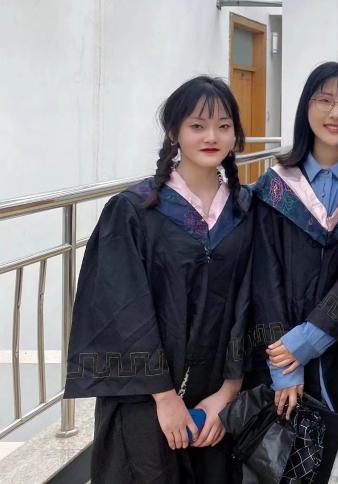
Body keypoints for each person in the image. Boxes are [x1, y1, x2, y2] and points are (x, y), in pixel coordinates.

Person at [65, 76, 252, 482]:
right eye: (197, 125)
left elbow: (251, 299)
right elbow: (120, 308)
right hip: (146, 400)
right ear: (173, 132)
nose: (211, 137)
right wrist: (164, 398)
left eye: (223, 126)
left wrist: (228, 392)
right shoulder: (134, 210)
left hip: (216, 397)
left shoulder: (245, 210)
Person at [246, 61, 338, 484]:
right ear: (306, 107)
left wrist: (309, 338)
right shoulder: (273, 187)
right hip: (280, 361)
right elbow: (264, 276)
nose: (336, 113)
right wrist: (284, 361)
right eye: (325, 100)